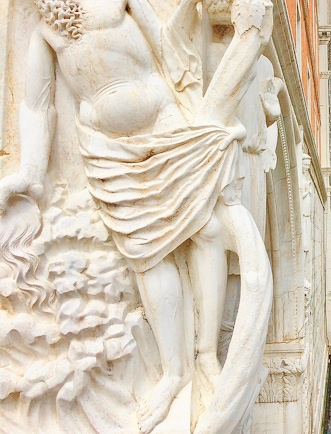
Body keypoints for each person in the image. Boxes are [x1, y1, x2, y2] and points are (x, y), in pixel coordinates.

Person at [0, 0, 275, 432]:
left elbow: (168, 47)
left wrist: (201, 118)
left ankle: (205, 355)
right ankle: (172, 373)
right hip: (106, 151)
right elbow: (36, 106)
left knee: (204, 228)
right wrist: (31, 173)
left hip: (162, 124)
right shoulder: (46, 29)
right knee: (146, 254)